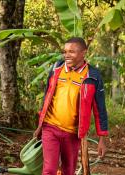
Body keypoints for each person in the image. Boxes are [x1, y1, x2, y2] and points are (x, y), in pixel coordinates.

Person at [34, 37, 108, 175]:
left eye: (72, 52)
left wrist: (102, 139)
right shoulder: (57, 68)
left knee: (69, 170)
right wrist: (40, 123)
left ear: (83, 52)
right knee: (49, 170)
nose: (66, 55)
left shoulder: (93, 76)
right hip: (50, 127)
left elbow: (100, 109)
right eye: (65, 51)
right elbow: (47, 95)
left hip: (73, 133)